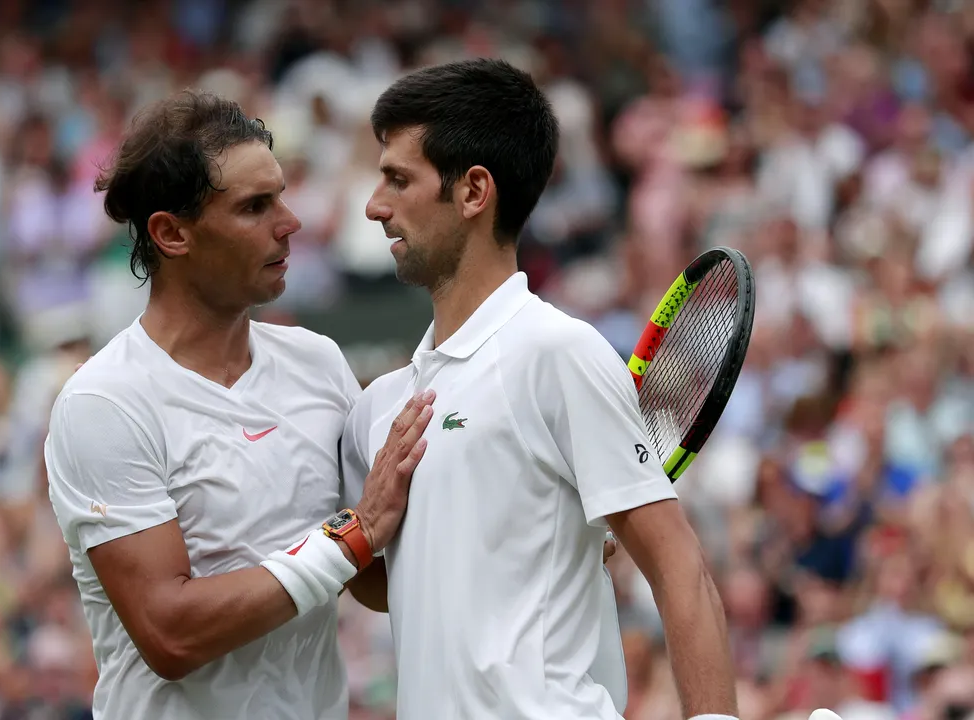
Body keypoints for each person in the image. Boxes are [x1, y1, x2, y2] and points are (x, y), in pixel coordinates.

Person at [338, 57, 740, 720]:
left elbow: (679, 569)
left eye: (399, 180)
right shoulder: (379, 408)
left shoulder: (558, 354)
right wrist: (361, 529)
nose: (375, 207)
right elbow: (390, 589)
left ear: (473, 192)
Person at [41, 90, 436, 720]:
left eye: (280, 194)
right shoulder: (103, 403)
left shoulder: (318, 362)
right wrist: (352, 534)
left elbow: (371, 581)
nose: (290, 221)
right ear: (172, 233)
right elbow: (170, 634)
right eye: (255, 206)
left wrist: (531, 543)